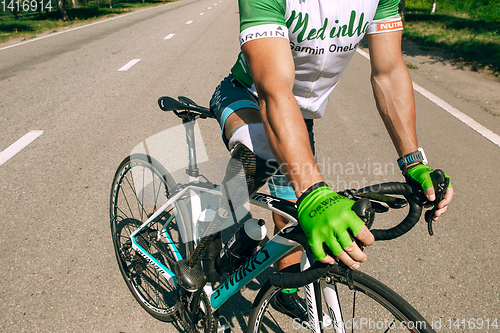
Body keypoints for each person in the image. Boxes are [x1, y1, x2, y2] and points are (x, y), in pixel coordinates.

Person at [206, 0, 454, 322]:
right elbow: (272, 87)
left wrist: (414, 162)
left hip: (297, 114)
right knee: (268, 159)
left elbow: (389, 71)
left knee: (293, 213)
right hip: (247, 93)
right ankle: (205, 241)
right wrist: (314, 192)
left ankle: (286, 292)